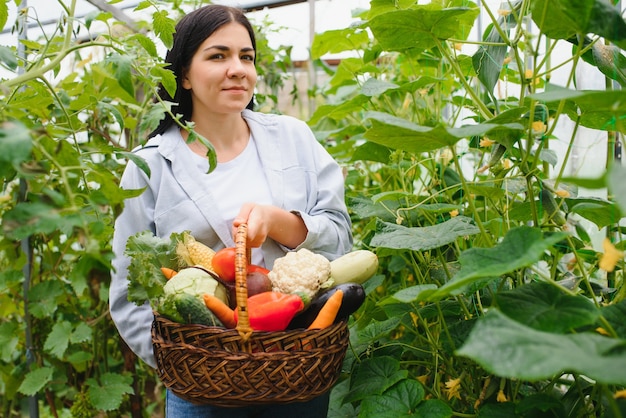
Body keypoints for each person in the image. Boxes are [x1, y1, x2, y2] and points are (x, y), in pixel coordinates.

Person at [109, 4, 353, 417]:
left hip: (298, 370)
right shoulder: (149, 166)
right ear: (183, 74)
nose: (237, 68)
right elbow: (127, 291)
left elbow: (342, 238)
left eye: (247, 56)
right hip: (205, 390)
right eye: (217, 56)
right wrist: (187, 368)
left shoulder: (294, 138)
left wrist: (279, 221)